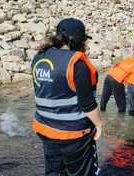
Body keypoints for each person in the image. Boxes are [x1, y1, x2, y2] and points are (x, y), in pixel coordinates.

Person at [31, 18, 103, 176]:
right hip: (73, 135)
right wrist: (99, 125)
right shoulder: (77, 63)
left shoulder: (39, 57)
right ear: (77, 40)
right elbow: (88, 104)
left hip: (45, 130)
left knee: (54, 172)